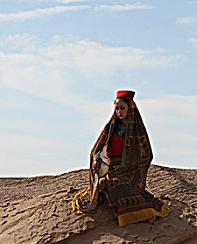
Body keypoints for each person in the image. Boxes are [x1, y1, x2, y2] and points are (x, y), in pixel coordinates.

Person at [72, 90, 170, 226]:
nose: (119, 111)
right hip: (110, 167)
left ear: (130, 108)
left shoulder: (137, 130)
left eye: (122, 108)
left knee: (112, 184)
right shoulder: (111, 127)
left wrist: (127, 165)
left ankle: (145, 213)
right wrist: (97, 160)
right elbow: (98, 148)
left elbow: (147, 154)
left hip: (130, 170)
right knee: (102, 184)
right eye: (116, 108)